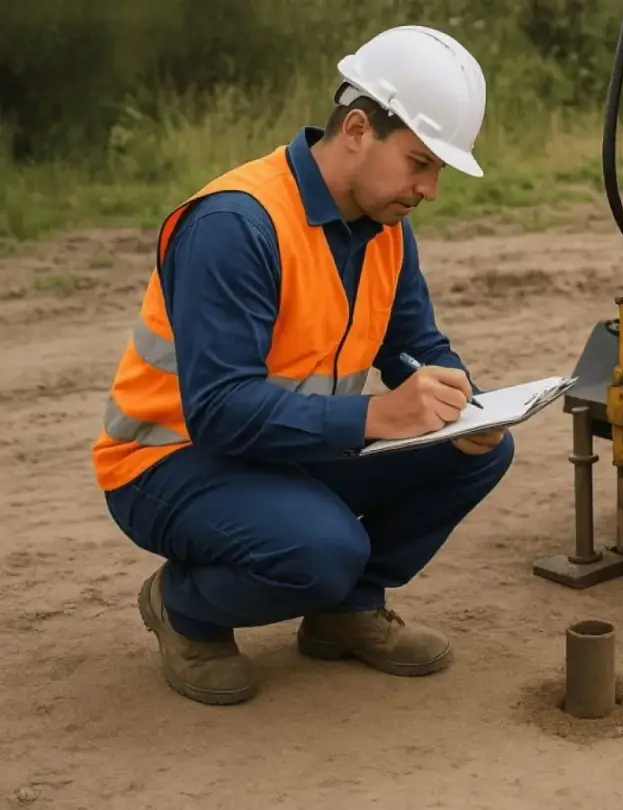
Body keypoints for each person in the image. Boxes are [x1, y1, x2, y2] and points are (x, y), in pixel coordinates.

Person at [90, 25, 514, 706]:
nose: (429, 188)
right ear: (355, 129)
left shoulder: (385, 231)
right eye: (419, 162)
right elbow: (222, 413)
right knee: (320, 550)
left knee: (476, 450)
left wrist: (462, 398)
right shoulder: (236, 225)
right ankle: (185, 608)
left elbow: (413, 345)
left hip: (284, 448)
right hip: (169, 460)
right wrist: (378, 415)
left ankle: (344, 612)